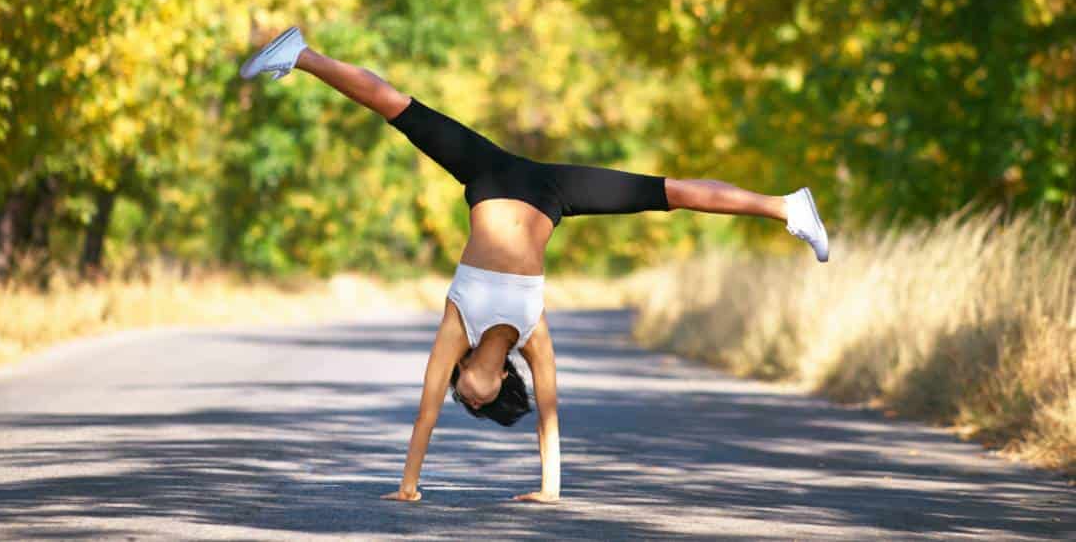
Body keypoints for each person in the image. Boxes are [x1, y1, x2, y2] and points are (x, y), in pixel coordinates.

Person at [239, 26, 829, 504]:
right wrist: (550, 490)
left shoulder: (458, 325)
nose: (462, 397)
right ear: (494, 387)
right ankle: (786, 207)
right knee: (670, 193)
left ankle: (301, 54)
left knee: (398, 107)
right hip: (552, 191)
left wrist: (408, 485)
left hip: (488, 173)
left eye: (461, 397)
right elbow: (549, 415)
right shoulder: (531, 332)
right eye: (474, 402)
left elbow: (424, 412)